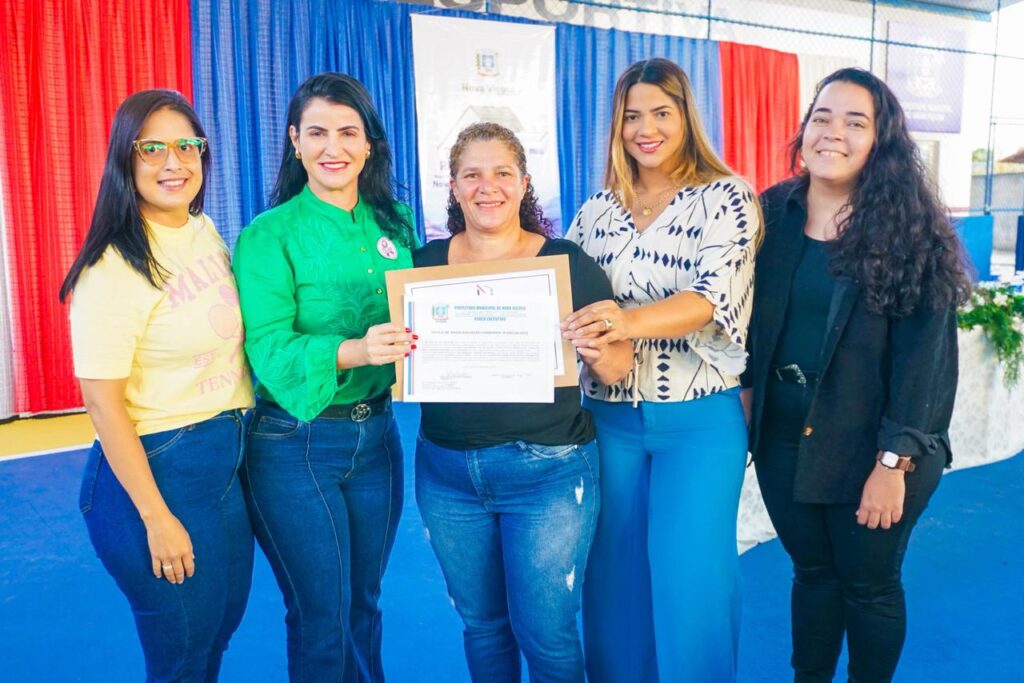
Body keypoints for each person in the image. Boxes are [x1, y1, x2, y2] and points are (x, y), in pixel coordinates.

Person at [743, 67, 970, 683]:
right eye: (822, 117)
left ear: (880, 140)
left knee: (869, 585)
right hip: (784, 441)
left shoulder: (912, 231)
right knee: (813, 575)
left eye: (855, 122)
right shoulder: (772, 213)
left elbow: (926, 364)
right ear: (803, 129)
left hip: (878, 449)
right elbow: (745, 320)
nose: (833, 133)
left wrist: (894, 463)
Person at [563, 58, 761, 682]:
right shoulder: (595, 211)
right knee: (612, 581)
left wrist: (621, 321)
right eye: (631, 116)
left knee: (691, 583)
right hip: (608, 419)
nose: (645, 129)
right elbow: (562, 296)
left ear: (686, 117)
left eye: (660, 113)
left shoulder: (726, 196)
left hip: (699, 421)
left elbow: (708, 300)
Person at [414, 122, 632, 683]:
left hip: (548, 473)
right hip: (446, 474)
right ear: (454, 187)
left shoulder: (566, 262)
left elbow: (617, 367)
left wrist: (597, 348)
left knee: (547, 635)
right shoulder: (421, 266)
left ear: (524, 183)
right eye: (472, 175)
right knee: (482, 627)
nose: (487, 187)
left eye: (502, 173)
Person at [60, 90, 255, 681]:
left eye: (187, 146)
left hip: (224, 460)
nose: (174, 162)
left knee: (217, 632)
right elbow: (102, 403)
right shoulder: (113, 267)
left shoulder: (203, 230)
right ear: (126, 158)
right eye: (152, 149)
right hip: (156, 469)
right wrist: (156, 517)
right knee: (183, 657)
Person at [232, 73, 416, 682]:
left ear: (369, 144)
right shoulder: (268, 235)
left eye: (347, 133)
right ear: (295, 141)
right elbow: (267, 347)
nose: (332, 147)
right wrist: (355, 351)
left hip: (379, 439)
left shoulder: (396, 223)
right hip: (295, 444)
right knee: (322, 616)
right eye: (316, 133)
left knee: (364, 604)